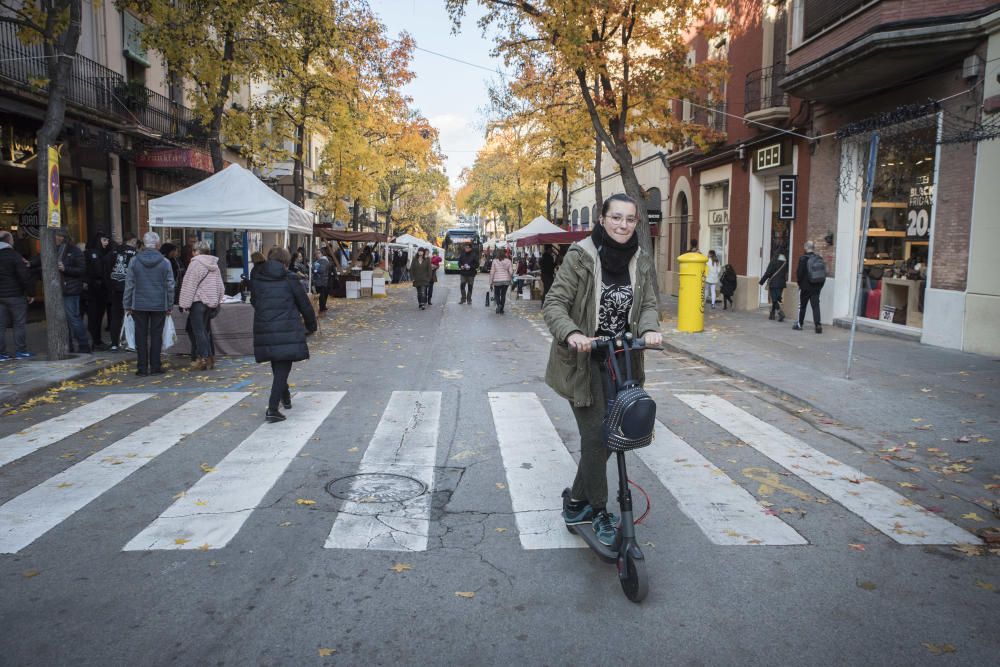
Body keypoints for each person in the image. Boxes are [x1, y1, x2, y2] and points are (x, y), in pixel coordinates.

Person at [543, 193, 662, 547]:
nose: (623, 225)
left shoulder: (640, 259)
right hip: (585, 363)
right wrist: (573, 333)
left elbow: (649, 304)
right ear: (602, 218)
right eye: (616, 217)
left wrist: (649, 328)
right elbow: (554, 304)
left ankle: (576, 501)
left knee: (611, 439)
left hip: (623, 363)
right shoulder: (580, 256)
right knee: (596, 438)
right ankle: (597, 510)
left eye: (630, 219)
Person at [251, 246, 317, 423]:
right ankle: (272, 408)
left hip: (265, 326)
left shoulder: (258, 277)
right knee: (283, 366)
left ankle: (285, 396)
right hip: (287, 326)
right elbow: (304, 304)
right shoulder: (290, 278)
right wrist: (312, 325)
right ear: (286, 262)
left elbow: (254, 301)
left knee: (278, 362)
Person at [123, 231, 174, 376]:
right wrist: (169, 305)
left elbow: (129, 284)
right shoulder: (165, 262)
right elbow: (170, 285)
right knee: (156, 335)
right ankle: (156, 366)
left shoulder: (134, 261)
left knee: (141, 335)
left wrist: (127, 305)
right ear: (157, 244)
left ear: (144, 244)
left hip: (139, 304)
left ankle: (142, 368)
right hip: (159, 304)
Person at [178, 240, 225, 370]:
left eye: (193, 251)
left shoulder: (195, 264)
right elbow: (220, 286)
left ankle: (203, 358)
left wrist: (184, 304)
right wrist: (217, 300)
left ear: (196, 251)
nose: (192, 253)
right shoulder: (214, 265)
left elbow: (189, 285)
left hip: (198, 302)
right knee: (204, 331)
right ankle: (210, 358)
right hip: (210, 303)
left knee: (199, 331)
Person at [55, 229, 91, 353]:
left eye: (58, 236)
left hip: (70, 289)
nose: (56, 239)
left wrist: (66, 269)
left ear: (63, 237)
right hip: (57, 289)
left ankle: (83, 345)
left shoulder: (74, 251)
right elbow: (40, 260)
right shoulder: (53, 249)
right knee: (62, 319)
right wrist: (30, 263)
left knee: (73, 318)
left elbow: (81, 270)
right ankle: (68, 345)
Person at [0, 230, 33, 361]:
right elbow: (23, 276)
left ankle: (1, 353)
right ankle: (21, 351)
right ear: (9, 241)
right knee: (19, 324)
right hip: (15, 295)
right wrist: (30, 293)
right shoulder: (14, 255)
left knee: (0, 325)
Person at [104, 234, 138, 350]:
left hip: (115, 289)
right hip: (131, 289)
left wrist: (110, 285)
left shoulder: (113, 252)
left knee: (116, 317)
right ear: (132, 241)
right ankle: (131, 342)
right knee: (132, 316)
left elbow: (106, 270)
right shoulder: (135, 254)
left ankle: (114, 343)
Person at [84, 232, 111, 349]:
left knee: (96, 317)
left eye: (107, 240)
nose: (107, 243)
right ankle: (96, 341)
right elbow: (98, 271)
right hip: (96, 290)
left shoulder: (94, 252)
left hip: (95, 290)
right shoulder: (94, 253)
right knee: (95, 317)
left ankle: (96, 341)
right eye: (104, 240)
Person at [794, 241, 825, 333]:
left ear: (805, 247)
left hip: (805, 287)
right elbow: (823, 273)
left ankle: (800, 324)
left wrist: (799, 284)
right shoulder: (819, 258)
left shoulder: (803, 259)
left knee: (802, 306)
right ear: (813, 248)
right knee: (815, 306)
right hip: (816, 287)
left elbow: (799, 273)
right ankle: (818, 325)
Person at [759, 253, 788, 321]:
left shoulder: (773, 261)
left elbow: (768, 272)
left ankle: (780, 313)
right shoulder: (785, 262)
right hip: (781, 283)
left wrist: (761, 281)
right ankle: (772, 314)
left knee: (774, 299)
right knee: (776, 299)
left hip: (774, 283)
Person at [489, 249, 513, 314]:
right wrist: (510, 278)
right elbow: (511, 272)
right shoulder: (509, 261)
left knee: (497, 294)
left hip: (497, 280)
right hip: (506, 280)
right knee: (503, 295)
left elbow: (492, 272)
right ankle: (501, 309)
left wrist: (491, 282)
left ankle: (499, 304)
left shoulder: (494, 261)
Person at [311, 248, 331, 313]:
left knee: (322, 294)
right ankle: (323, 306)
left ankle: (322, 307)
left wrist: (315, 270)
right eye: (316, 253)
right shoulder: (318, 261)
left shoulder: (323, 261)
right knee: (322, 294)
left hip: (321, 280)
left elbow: (321, 270)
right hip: (321, 280)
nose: (317, 255)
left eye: (319, 253)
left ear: (322, 253)